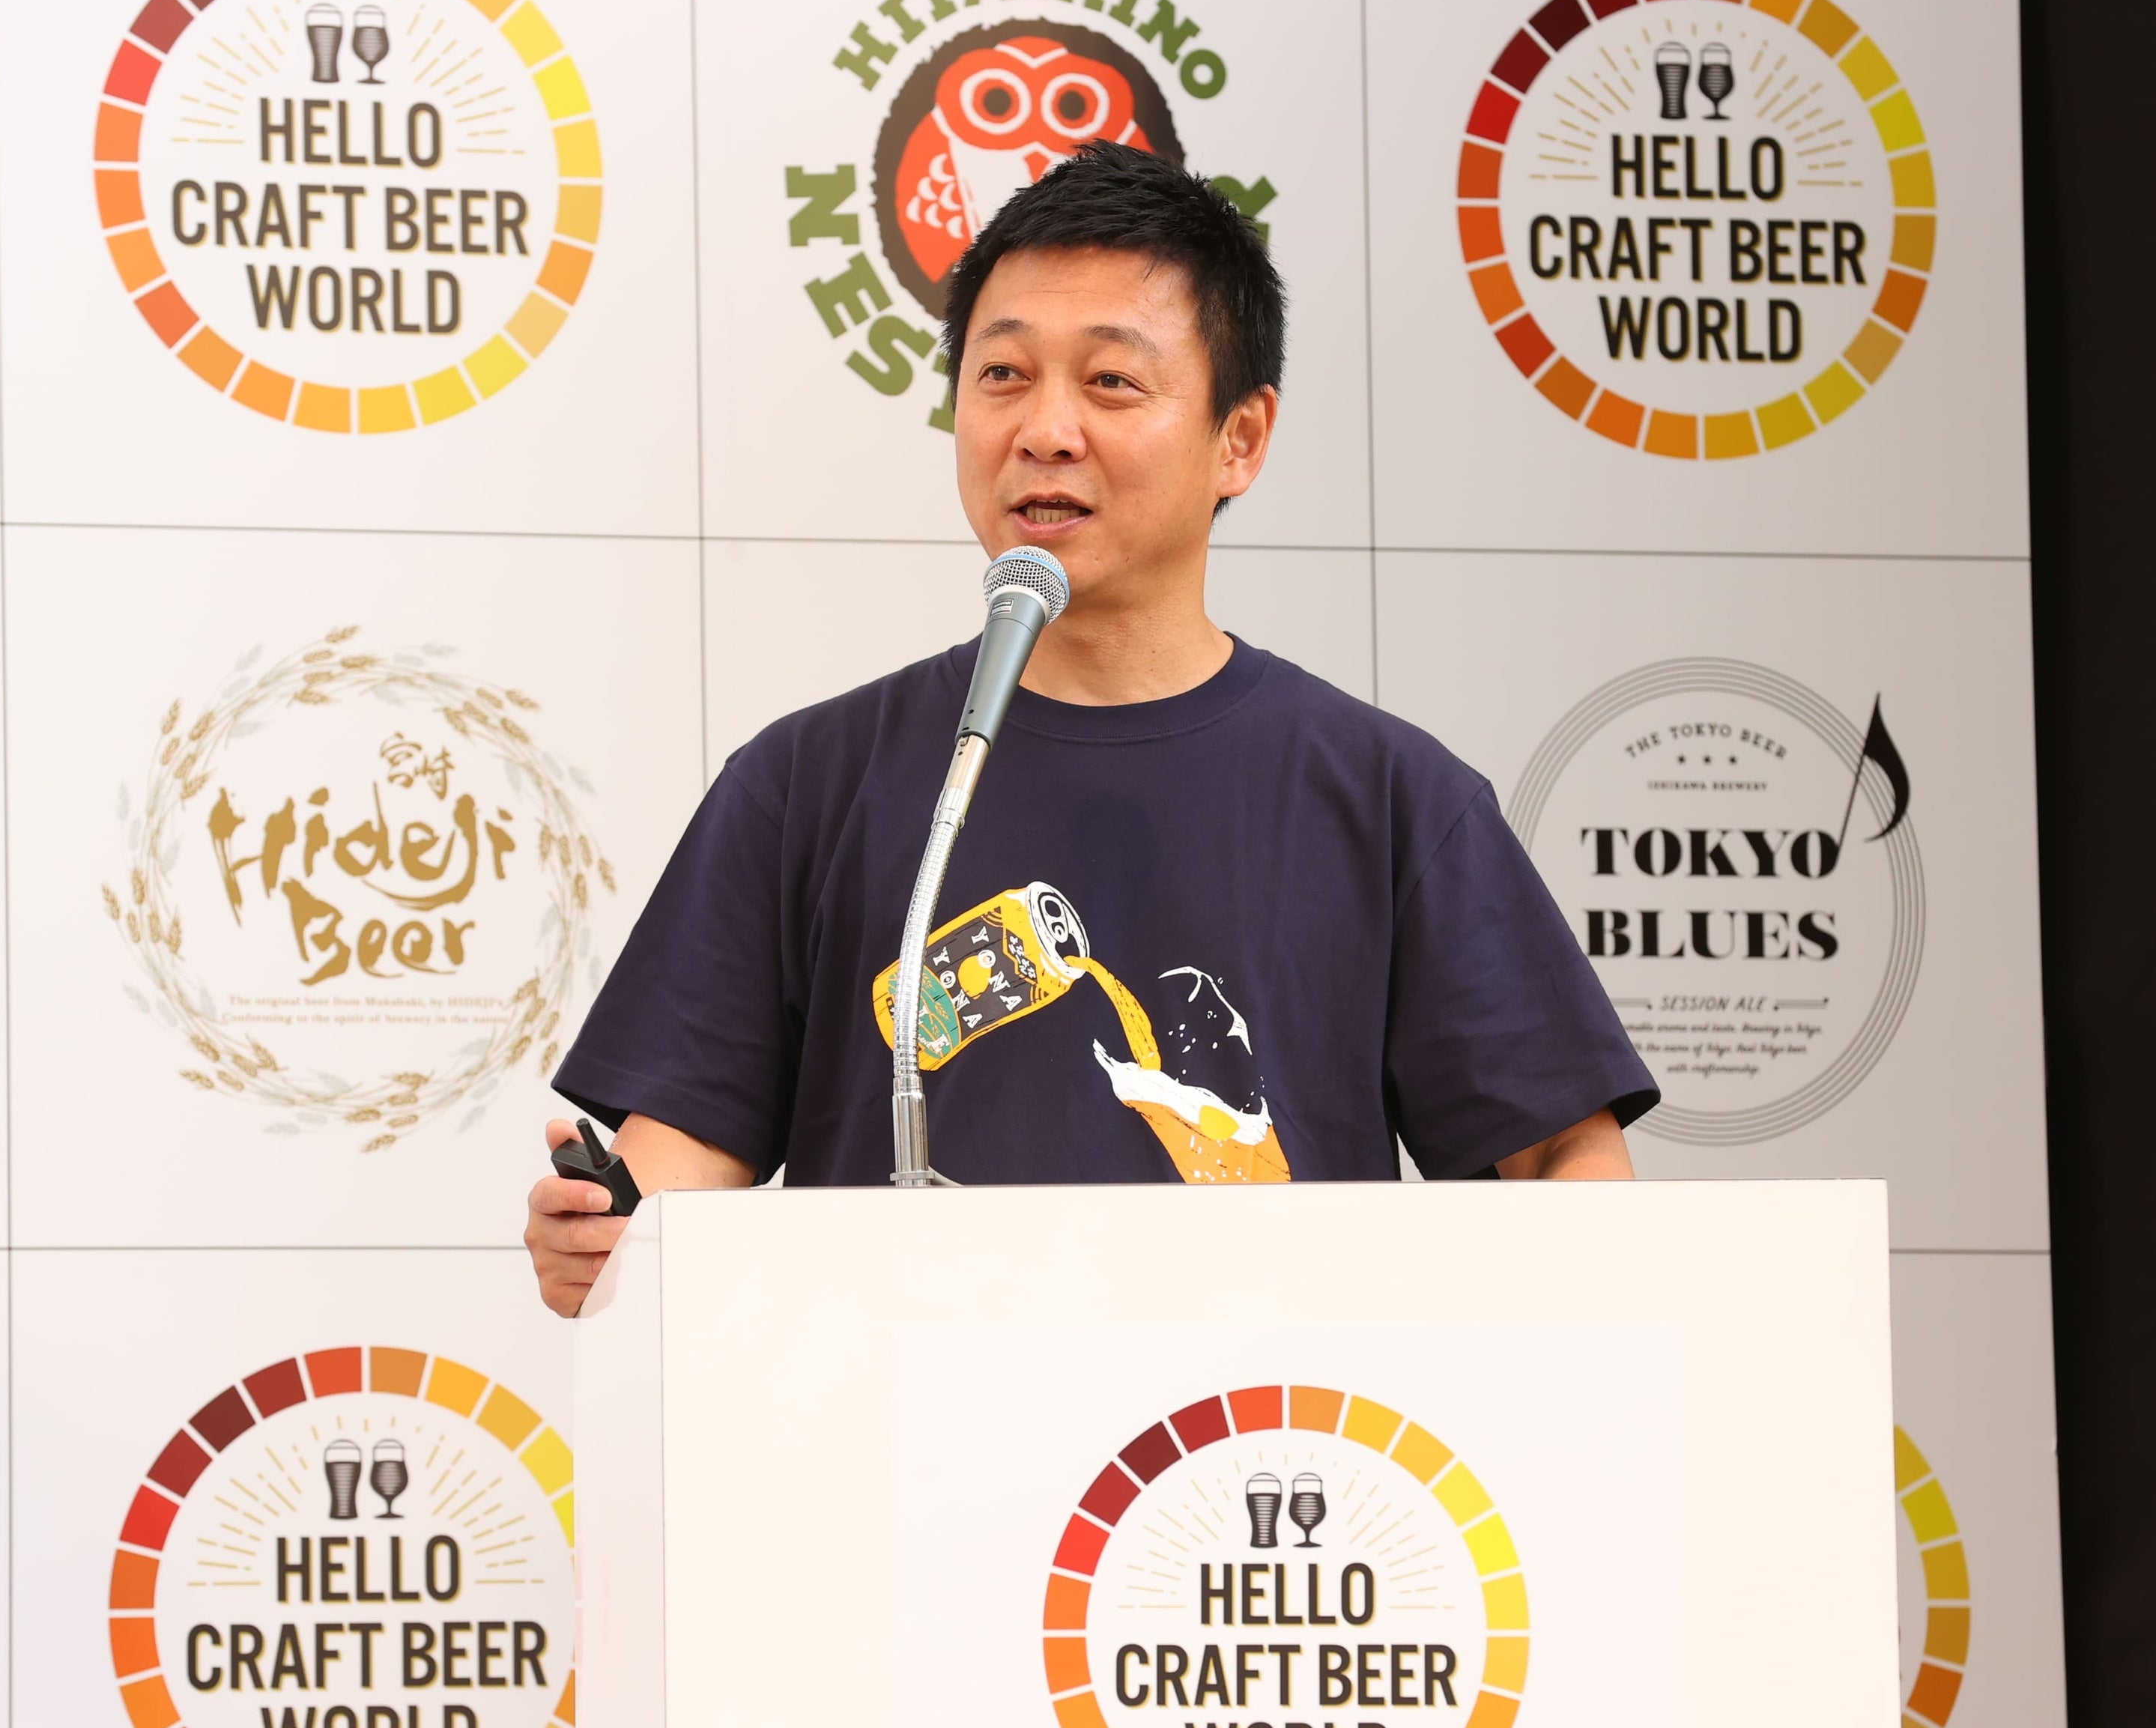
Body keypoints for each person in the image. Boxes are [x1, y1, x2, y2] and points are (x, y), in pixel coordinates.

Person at [523, 141, 1654, 1318]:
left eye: (1111, 382)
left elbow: (1563, 1161)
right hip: (896, 1413)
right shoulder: (806, 782)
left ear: (1240, 439)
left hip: (1261, 1421)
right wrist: (611, 1236)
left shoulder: (1388, 798)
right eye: (1002, 375)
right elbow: (680, 1160)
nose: (1045, 430)